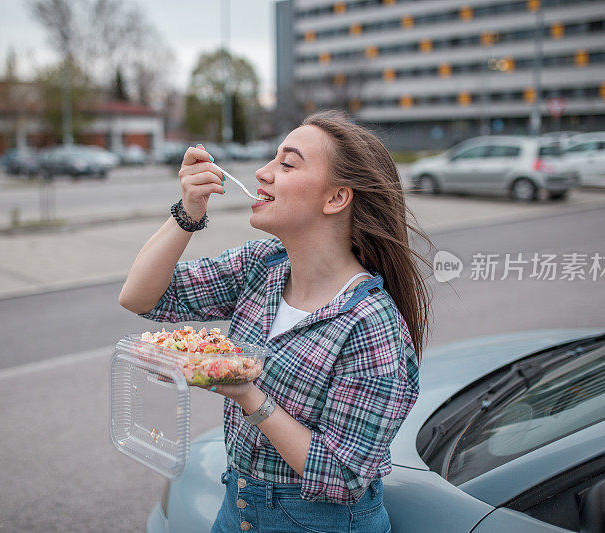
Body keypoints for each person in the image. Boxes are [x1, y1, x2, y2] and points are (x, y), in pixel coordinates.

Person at [119, 110, 433, 533]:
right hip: (239, 505)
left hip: (318, 522)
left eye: (287, 163)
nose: (262, 173)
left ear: (336, 198)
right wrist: (187, 214)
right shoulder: (263, 264)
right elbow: (141, 296)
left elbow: (343, 477)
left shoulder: (371, 323)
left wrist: (247, 395)